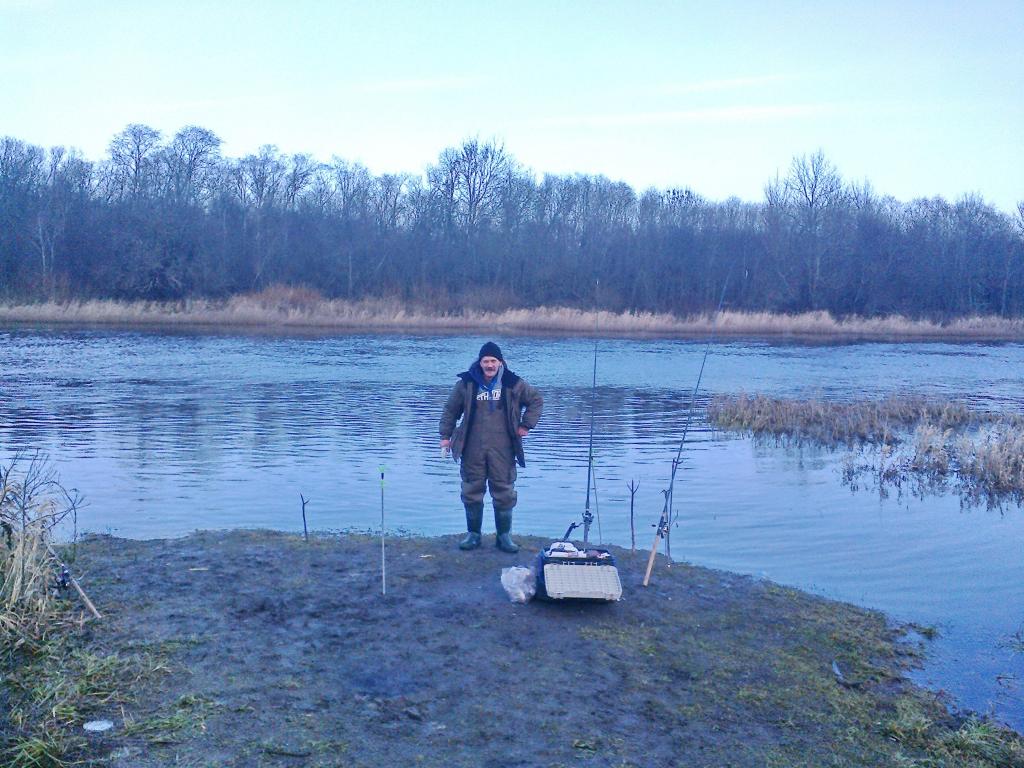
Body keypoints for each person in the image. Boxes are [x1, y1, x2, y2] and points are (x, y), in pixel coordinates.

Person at [439, 342, 543, 553]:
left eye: (493, 361)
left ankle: (504, 537)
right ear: (480, 362)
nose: (489, 365)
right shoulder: (466, 383)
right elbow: (450, 410)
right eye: (485, 361)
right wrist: (445, 437)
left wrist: (526, 425)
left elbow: (536, 400)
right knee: (471, 489)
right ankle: (473, 535)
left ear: (500, 362)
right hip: (472, 447)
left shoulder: (513, 383)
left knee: (504, 491)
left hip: (503, 448)